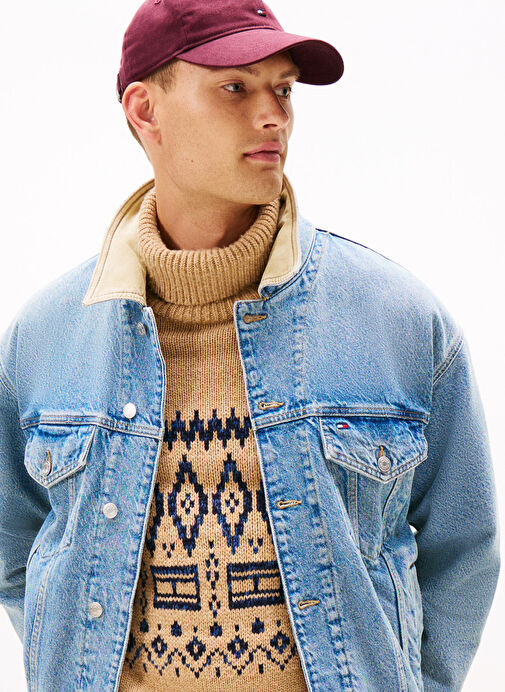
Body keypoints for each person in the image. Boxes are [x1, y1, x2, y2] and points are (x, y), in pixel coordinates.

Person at [0, 0, 500, 690]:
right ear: (145, 110)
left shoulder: (400, 319)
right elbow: (15, 550)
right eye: (235, 87)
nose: (274, 116)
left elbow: (464, 549)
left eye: (283, 90)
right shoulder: (46, 337)